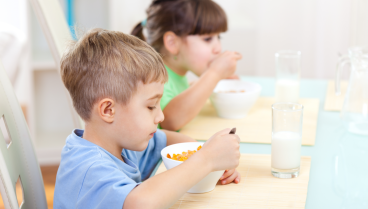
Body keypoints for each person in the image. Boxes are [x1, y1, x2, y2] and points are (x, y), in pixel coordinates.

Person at [53, 28, 240, 209]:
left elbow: (169, 140)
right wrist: (205, 159)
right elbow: (140, 203)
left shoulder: (120, 142)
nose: (161, 115)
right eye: (151, 106)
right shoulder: (88, 170)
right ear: (108, 110)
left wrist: (209, 156)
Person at [131, 0, 242, 131]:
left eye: (219, 38)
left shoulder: (176, 73)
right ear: (172, 43)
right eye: (207, 39)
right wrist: (214, 73)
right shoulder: (153, 77)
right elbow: (170, 120)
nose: (218, 48)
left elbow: (176, 93)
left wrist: (210, 82)